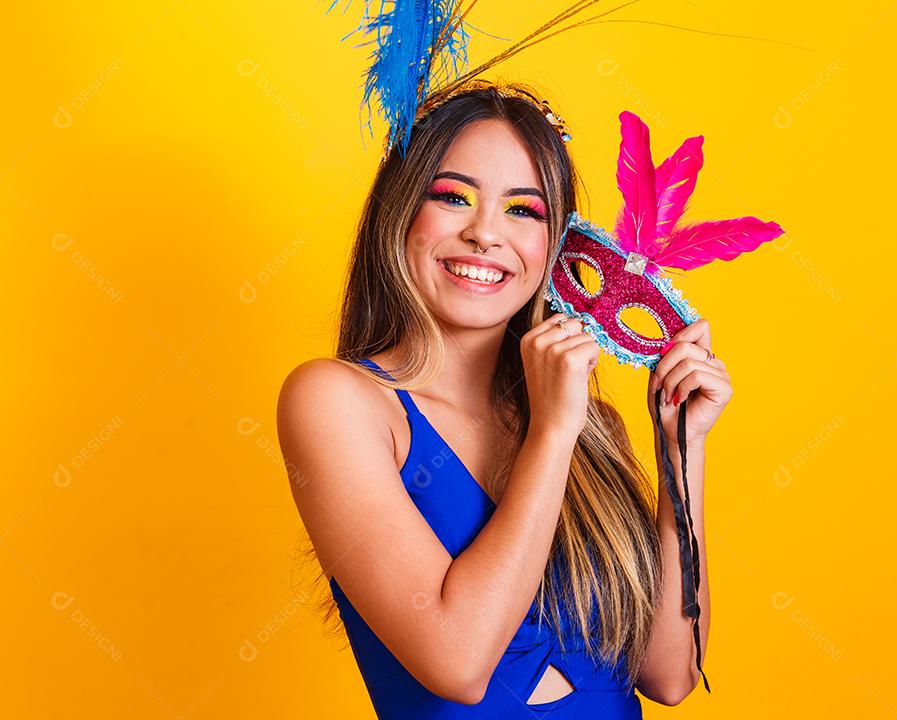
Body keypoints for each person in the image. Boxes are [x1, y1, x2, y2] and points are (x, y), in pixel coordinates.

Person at [276, 84, 733, 718]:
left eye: (525, 210)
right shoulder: (338, 402)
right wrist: (551, 432)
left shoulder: (590, 425)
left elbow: (672, 673)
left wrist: (681, 448)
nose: (485, 234)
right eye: (452, 197)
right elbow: (457, 663)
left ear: (560, 247)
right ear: (399, 212)